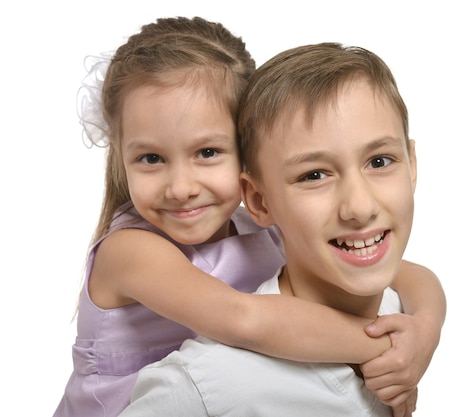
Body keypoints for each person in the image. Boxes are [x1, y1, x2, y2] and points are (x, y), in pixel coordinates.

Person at [54, 17, 445, 417]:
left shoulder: (261, 225)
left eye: (206, 152)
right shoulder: (129, 250)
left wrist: (424, 333)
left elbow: (413, 276)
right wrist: (385, 351)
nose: (180, 187)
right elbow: (244, 321)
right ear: (121, 157)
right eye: (150, 158)